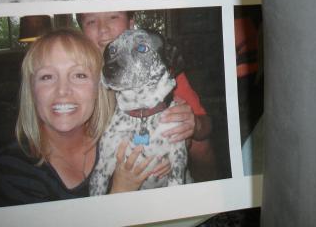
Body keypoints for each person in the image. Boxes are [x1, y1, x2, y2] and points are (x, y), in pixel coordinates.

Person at [0, 29, 170, 206]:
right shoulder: (12, 167)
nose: (62, 91)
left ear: (99, 86)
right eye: (46, 77)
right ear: (31, 90)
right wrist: (120, 191)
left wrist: (177, 123)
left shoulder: (115, 138)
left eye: (79, 75)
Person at [76, 11, 216, 181]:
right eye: (91, 21)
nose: (103, 29)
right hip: (109, 174)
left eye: (113, 17)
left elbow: (206, 127)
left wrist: (192, 127)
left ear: (131, 23)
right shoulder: (73, 74)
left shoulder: (161, 73)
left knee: (199, 144)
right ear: (82, 30)